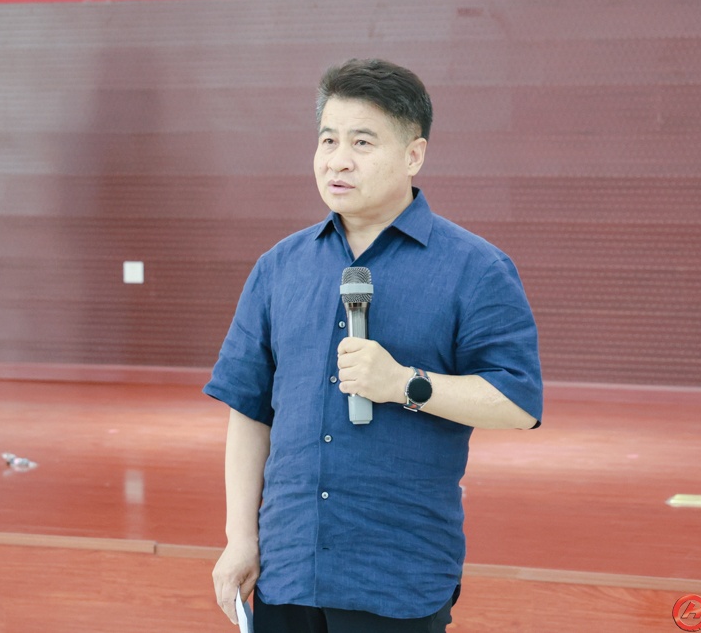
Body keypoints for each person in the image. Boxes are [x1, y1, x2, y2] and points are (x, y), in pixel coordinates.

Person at [205, 58, 542, 633]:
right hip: (288, 570)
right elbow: (250, 411)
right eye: (328, 140)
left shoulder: (476, 269)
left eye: (362, 142)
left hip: (397, 577)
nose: (338, 160)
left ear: (413, 155)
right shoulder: (278, 268)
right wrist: (241, 538)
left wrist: (404, 384)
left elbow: (517, 403)